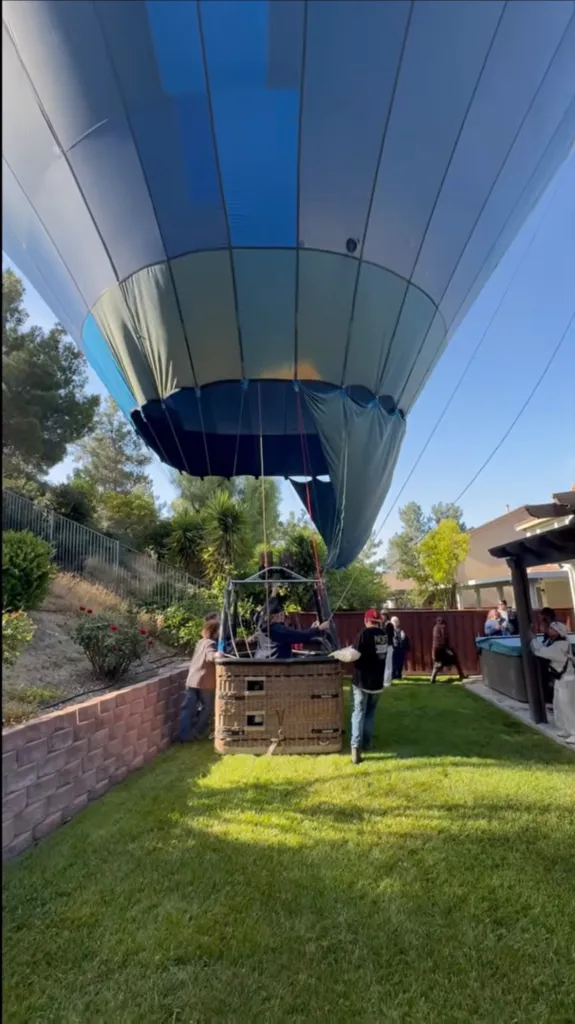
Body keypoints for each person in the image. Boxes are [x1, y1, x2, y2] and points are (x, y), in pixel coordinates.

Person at [350, 609, 392, 764]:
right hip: (377, 682)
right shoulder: (383, 635)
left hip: (362, 681)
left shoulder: (364, 634)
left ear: (366, 620)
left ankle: (355, 747)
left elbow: (354, 654)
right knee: (370, 714)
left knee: (358, 713)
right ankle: (368, 743)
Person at [178, 614, 220, 742]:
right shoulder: (211, 643)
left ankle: (184, 735)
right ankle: (196, 732)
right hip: (205, 682)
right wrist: (218, 655)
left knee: (187, 708)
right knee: (208, 708)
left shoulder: (200, 642)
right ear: (215, 631)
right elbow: (210, 656)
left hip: (192, 680)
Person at [531, 622, 575, 742]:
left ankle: (573, 732)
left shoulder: (560, 645)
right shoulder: (558, 643)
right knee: (559, 705)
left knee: (567, 706)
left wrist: (533, 639)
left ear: (558, 632)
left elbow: (540, 651)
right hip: (561, 679)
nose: (549, 630)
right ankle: (566, 729)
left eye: (552, 629)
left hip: (566, 680)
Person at [254, 596, 330, 660]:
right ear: (278, 615)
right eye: (281, 614)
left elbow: (297, 634)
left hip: (260, 662)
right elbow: (300, 635)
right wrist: (319, 628)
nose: (283, 617)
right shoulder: (279, 630)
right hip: (277, 667)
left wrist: (312, 629)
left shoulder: (261, 625)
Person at [430, 616, 466, 684]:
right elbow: (444, 638)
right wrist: (448, 649)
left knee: (438, 663)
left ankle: (432, 678)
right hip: (443, 648)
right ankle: (461, 675)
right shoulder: (443, 627)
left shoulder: (435, 627)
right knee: (455, 659)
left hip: (435, 649)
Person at [390, 615, 410, 680]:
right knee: (393, 663)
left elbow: (404, 639)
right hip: (392, 649)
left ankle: (399, 675)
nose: (395, 623)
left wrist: (403, 638)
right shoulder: (389, 630)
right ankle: (393, 675)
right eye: (394, 621)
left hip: (400, 649)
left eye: (396, 621)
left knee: (400, 663)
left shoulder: (401, 630)